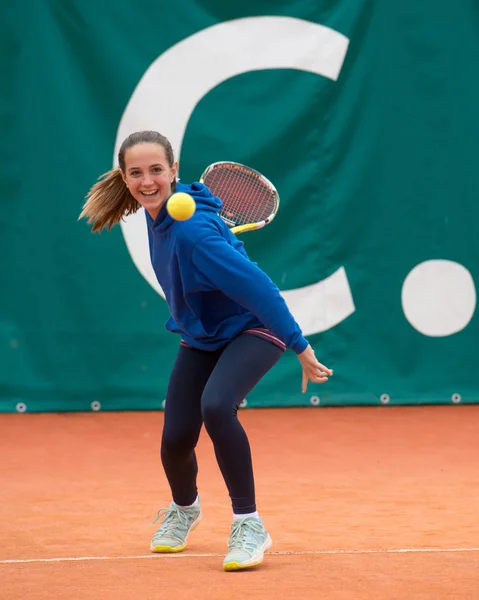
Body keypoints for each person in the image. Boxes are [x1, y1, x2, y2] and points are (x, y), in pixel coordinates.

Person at [79, 130, 333, 571]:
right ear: (124, 176)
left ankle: (250, 524)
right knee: (175, 440)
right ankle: (185, 509)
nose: (148, 181)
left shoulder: (193, 230)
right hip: (205, 335)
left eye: (157, 170)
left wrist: (300, 345)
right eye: (136, 173)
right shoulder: (158, 217)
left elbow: (259, 289)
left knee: (216, 406)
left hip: (254, 328)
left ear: (174, 171)